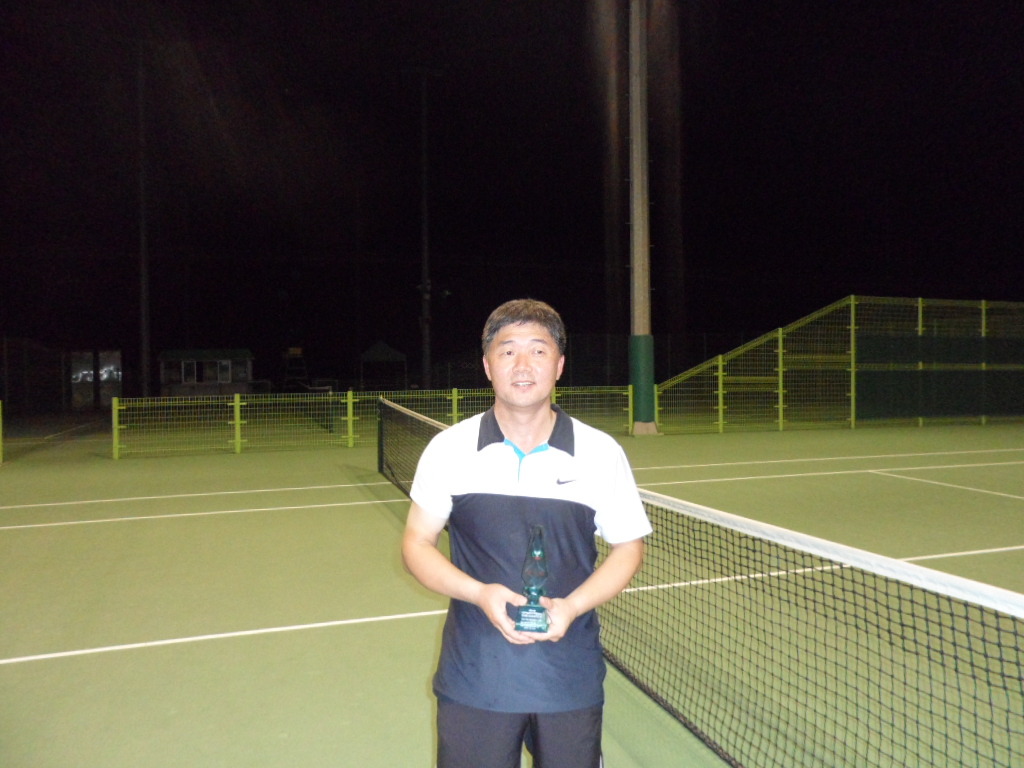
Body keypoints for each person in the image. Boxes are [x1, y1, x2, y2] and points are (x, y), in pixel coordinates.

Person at [402, 298, 652, 768]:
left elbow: (628, 548)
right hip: (475, 676)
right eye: (507, 350)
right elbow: (417, 543)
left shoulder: (600, 452)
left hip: (568, 678)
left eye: (538, 351)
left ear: (559, 366)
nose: (522, 365)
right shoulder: (448, 449)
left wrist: (571, 607)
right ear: (487, 366)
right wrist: (479, 593)